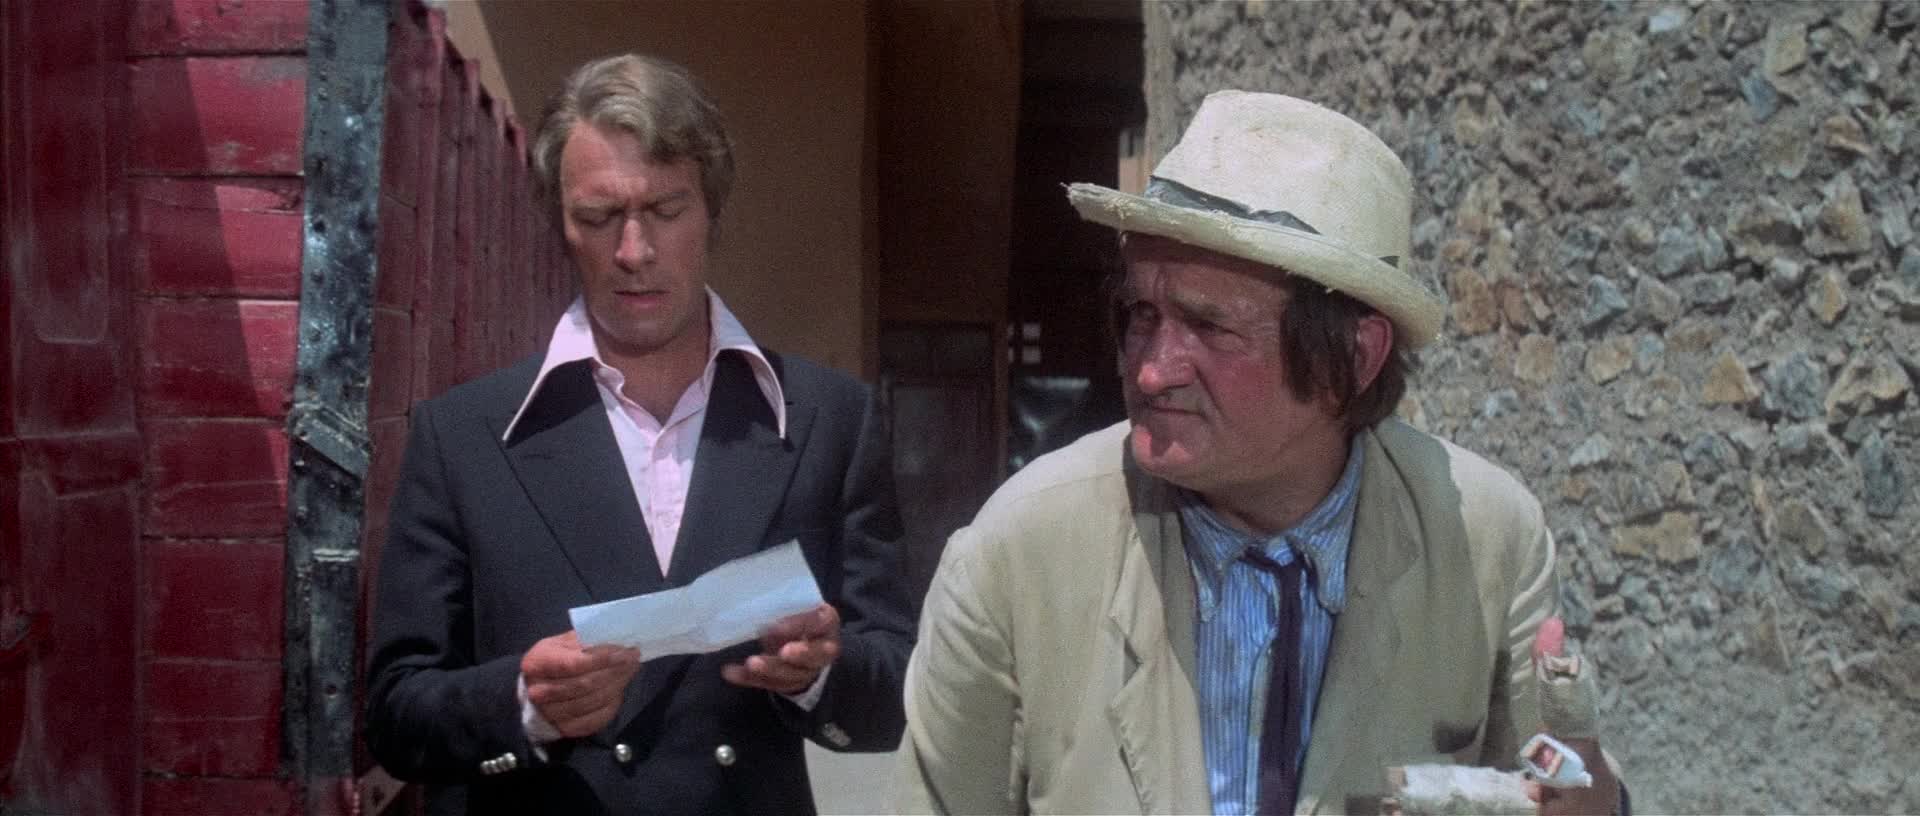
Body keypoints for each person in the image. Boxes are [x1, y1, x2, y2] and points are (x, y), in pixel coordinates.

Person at [892, 91, 1624, 815]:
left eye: (1210, 327)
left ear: (1354, 357)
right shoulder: (1018, 553)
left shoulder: (1486, 540)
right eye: (1141, 314)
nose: (1151, 372)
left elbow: (1560, 781)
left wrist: (1590, 799)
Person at [365, 54, 913, 815]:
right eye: (599, 217)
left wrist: (821, 672)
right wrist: (524, 701)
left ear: (712, 209)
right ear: (560, 224)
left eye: (665, 209)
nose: (634, 251)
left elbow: (901, 692)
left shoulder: (828, 420)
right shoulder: (465, 436)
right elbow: (395, 716)